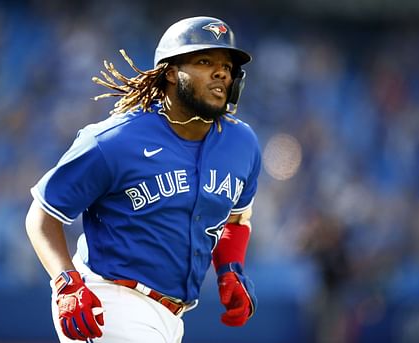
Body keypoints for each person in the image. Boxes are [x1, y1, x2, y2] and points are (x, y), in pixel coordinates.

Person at [25, 16, 261, 342]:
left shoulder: (243, 144)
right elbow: (42, 215)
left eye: (227, 65)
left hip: (172, 318)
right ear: (169, 72)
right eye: (205, 61)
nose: (222, 72)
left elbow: (237, 218)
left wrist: (230, 268)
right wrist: (66, 281)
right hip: (109, 301)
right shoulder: (114, 140)